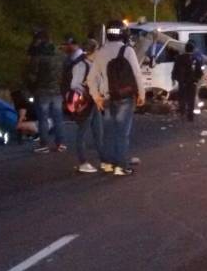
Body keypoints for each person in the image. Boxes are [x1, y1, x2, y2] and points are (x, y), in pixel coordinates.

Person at [87, 20, 145, 176]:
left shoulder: (100, 52)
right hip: (125, 97)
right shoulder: (127, 51)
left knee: (108, 132)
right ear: (124, 34)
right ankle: (121, 166)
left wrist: (96, 97)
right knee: (122, 133)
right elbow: (137, 74)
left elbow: (90, 79)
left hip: (106, 97)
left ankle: (107, 164)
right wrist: (141, 94)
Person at [26, 31, 66, 153]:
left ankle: (44, 144)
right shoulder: (60, 56)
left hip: (42, 91)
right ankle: (60, 143)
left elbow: (32, 74)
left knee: (43, 118)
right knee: (58, 118)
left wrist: (31, 87)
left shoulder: (38, 57)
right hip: (57, 91)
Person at [70, 39, 106, 174]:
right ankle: (83, 162)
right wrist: (89, 91)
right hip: (86, 103)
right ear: (93, 51)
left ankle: (104, 160)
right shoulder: (81, 65)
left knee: (99, 132)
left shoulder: (93, 64)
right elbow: (74, 85)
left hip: (94, 102)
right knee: (82, 132)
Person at [172, 41, 204, 122]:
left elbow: (175, 69)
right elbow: (199, 71)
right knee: (191, 98)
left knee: (182, 97)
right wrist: (197, 79)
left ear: (185, 49)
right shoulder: (195, 58)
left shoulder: (179, 58)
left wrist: (174, 78)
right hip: (192, 81)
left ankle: (182, 112)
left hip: (182, 81)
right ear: (193, 49)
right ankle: (190, 115)